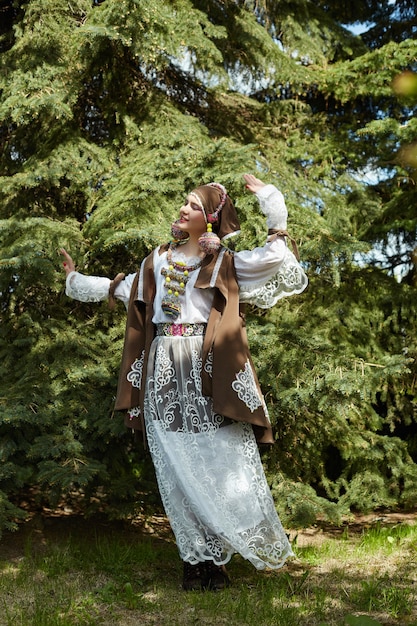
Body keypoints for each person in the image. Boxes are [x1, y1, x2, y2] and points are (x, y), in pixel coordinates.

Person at [60, 173, 308, 591]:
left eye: (192, 205)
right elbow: (125, 292)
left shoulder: (224, 262)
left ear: (209, 218)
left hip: (205, 366)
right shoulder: (157, 260)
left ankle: (219, 557)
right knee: (175, 462)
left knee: (216, 457)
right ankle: (195, 561)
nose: (182, 209)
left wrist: (272, 203)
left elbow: (275, 259)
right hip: (162, 368)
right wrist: (75, 281)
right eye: (183, 204)